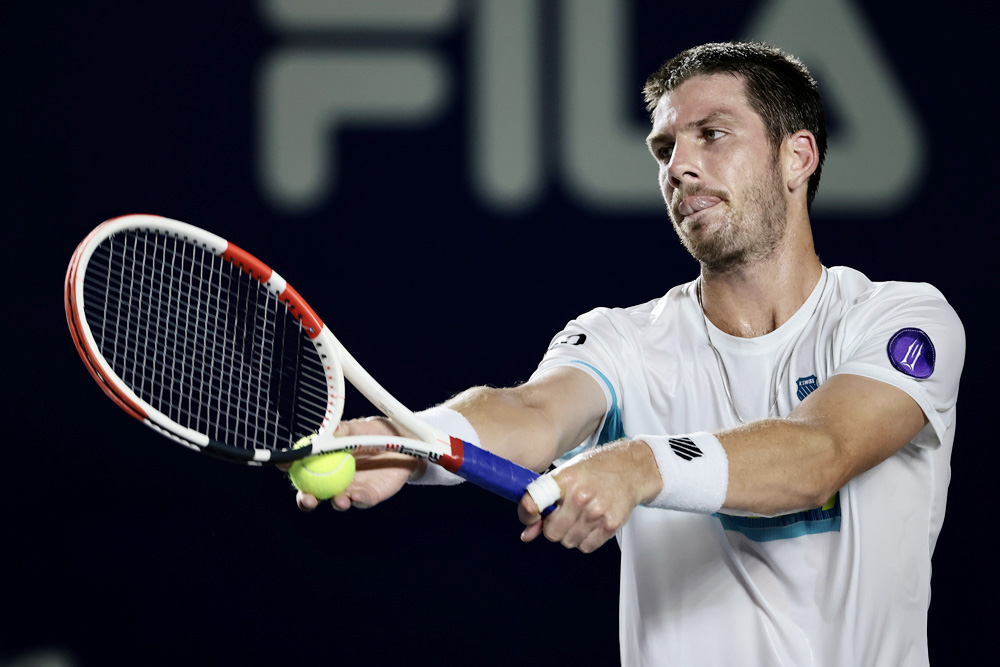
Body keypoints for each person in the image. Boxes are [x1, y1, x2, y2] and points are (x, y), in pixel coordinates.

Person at [295, 42, 965, 666]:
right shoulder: (622, 340)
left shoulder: (899, 318)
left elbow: (822, 452)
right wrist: (409, 439)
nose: (679, 167)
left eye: (713, 134)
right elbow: (531, 411)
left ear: (798, 157)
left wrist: (638, 463)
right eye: (665, 147)